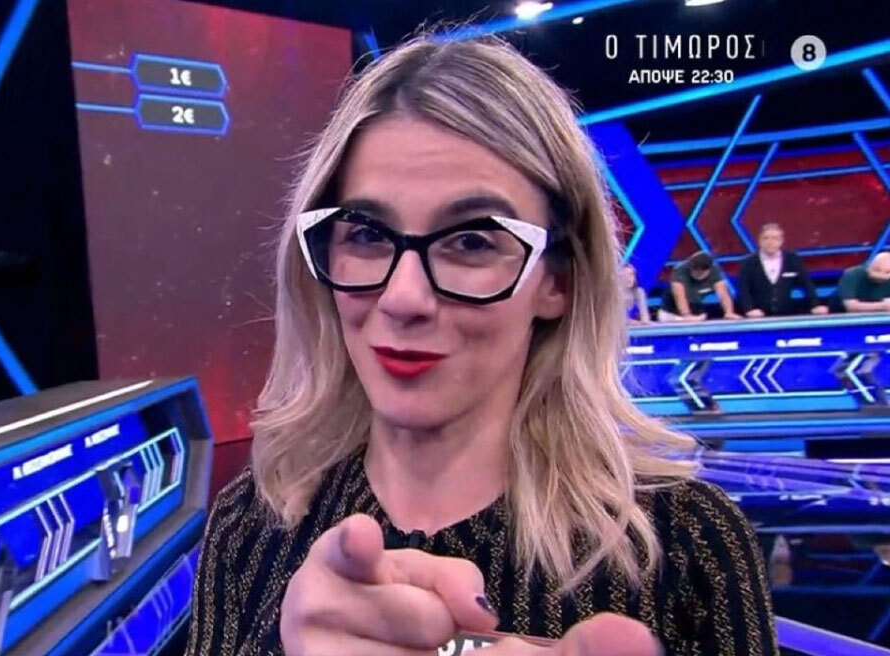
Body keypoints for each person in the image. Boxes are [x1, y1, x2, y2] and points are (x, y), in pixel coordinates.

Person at [186, 35, 776, 656]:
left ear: (556, 280)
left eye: (471, 241)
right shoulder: (250, 522)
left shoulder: (689, 542)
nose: (403, 297)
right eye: (365, 234)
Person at [736, 223, 826, 317]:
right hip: (758, 316)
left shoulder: (792, 259)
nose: (770, 242)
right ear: (759, 241)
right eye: (765, 238)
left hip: (787, 314)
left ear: (781, 241)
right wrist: (749, 309)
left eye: (774, 238)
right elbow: (743, 290)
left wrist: (815, 305)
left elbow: (806, 284)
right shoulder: (748, 263)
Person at [659, 251, 740, 321]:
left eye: (702, 269)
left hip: (695, 308)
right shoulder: (680, 271)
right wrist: (686, 315)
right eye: (695, 269)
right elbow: (679, 296)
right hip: (671, 313)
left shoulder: (715, 271)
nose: (698, 272)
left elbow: (723, 293)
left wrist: (729, 312)